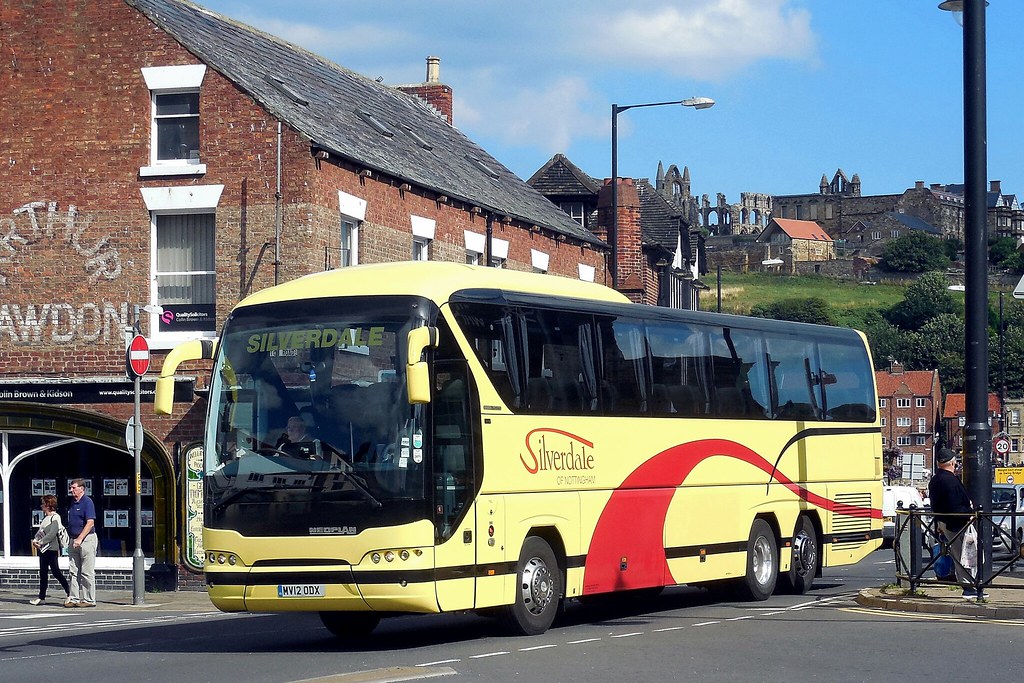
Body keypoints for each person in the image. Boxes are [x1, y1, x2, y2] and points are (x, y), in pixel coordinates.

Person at [928, 448, 985, 599]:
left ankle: (971, 586)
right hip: (958, 524)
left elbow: (936, 505)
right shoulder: (951, 481)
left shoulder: (935, 480)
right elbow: (954, 506)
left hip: (945, 522)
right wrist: (970, 514)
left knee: (965, 554)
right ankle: (969, 588)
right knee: (968, 555)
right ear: (953, 463)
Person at [29, 494, 71, 606]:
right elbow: (41, 532)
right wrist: (35, 540)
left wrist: (40, 542)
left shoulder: (55, 517)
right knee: (43, 573)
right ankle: (41, 597)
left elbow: (52, 534)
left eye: (43, 503)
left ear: (48, 505)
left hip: (52, 549)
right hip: (42, 550)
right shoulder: (45, 518)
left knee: (56, 572)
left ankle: (69, 593)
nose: (41, 505)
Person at [66, 478, 97, 608]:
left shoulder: (87, 502)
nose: (71, 490)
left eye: (74, 488)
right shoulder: (73, 503)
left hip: (86, 540)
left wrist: (80, 538)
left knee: (86, 571)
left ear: (82, 489)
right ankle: (73, 598)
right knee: (73, 571)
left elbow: (90, 522)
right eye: (71, 488)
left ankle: (89, 599)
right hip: (73, 540)